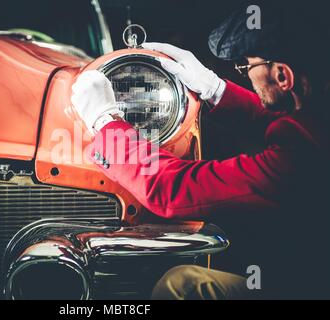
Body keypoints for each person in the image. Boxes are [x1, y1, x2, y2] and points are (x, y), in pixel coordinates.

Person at [71, 5, 330, 299]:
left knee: (181, 285)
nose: (245, 74)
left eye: (246, 66)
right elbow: (286, 125)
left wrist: (106, 123)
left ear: (283, 77)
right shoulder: (317, 116)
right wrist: (215, 88)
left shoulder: (298, 157)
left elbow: (171, 190)